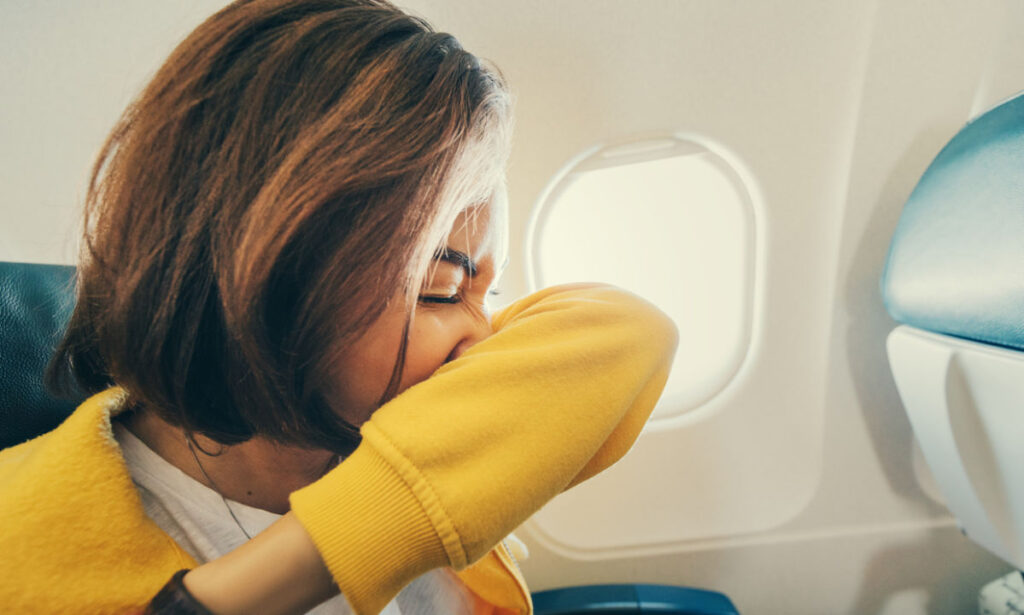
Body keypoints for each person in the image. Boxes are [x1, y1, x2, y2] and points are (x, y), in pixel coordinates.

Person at [0, 1, 678, 613]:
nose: (482, 333)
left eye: (488, 292)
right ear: (276, 270)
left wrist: (306, 559)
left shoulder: (404, 442)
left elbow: (630, 331)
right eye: (442, 289)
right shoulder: (22, 546)